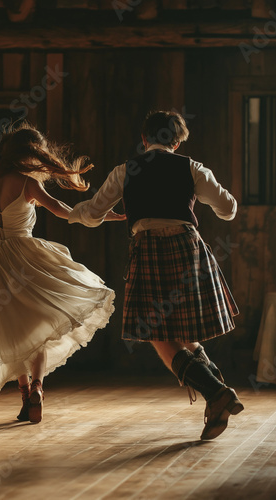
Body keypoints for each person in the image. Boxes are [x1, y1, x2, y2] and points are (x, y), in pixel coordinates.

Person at [0, 122, 124, 423]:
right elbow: (61, 209)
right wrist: (100, 215)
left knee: (11, 330)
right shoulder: (27, 183)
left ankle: (24, 396)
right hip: (25, 259)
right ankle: (38, 389)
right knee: (37, 328)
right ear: (30, 157)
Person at [68, 110, 244, 440]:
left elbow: (92, 213)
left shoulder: (126, 171)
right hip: (187, 247)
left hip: (147, 248)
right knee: (179, 328)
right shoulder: (191, 168)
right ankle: (215, 387)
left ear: (145, 140)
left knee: (159, 333)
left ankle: (217, 391)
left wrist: (70, 215)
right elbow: (228, 208)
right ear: (177, 142)